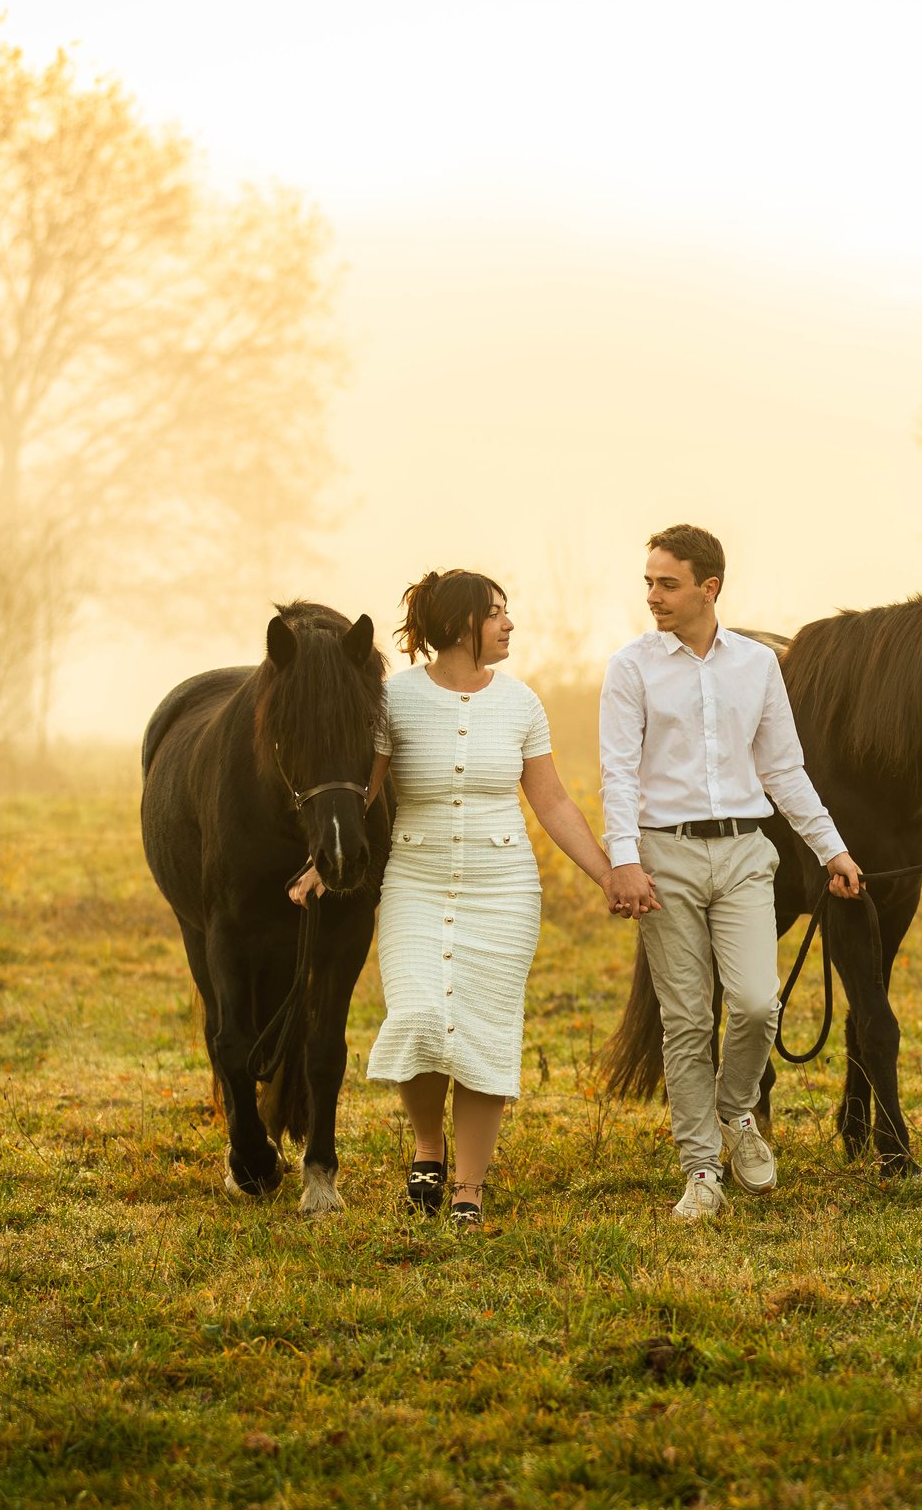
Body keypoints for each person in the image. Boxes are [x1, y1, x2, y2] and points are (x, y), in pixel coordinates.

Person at [328, 569, 612, 1229]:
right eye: (495, 613)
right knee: (419, 1013)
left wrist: (608, 874)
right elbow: (365, 794)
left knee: (484, 1028)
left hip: (503, 890)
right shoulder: (394, 700)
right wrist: (321, 864)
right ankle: (429, 1147)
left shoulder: (522, 703)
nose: (509, 624)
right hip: (415, 884)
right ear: (460, 626)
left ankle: (468, 1187)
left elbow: (552, 801)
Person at [600, 524, 864, 1222]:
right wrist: (624, 859)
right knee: (688, 1020)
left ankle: (737, 1111)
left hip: (746, 852)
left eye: (668, 583)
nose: (653, 596)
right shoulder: (630, 667)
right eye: (649, 582)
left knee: (754, 1003)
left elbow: (784, 768)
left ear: (708, 588)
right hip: (666, 856)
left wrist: (831, 849)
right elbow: (618, 772)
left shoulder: (757, 666)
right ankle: (701, 1171)